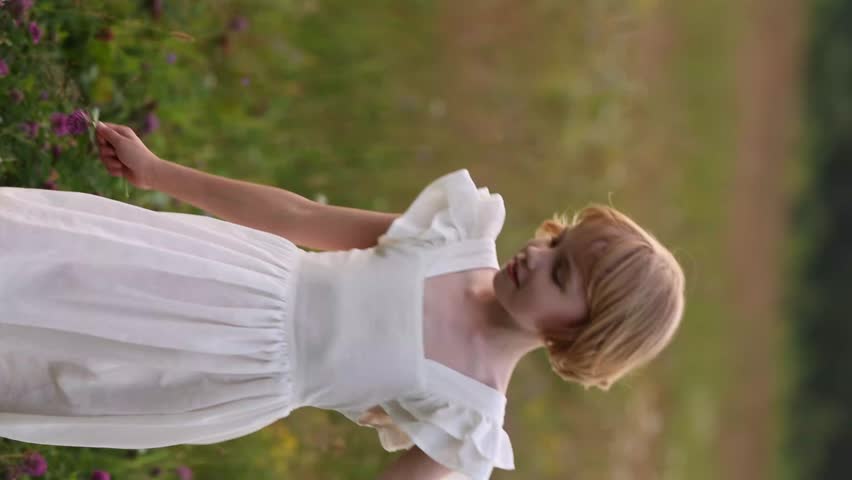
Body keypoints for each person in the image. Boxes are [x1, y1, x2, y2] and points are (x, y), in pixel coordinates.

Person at [0, 122, 686, 480]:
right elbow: (297, 217)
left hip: (218, 371)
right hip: (231, 278)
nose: (537, 255)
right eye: (555, 242)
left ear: (579, 340)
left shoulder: (467, 414)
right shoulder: (452, 239)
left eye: (560, 277)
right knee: (69, 268)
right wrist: (158, 173)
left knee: (67, 367)